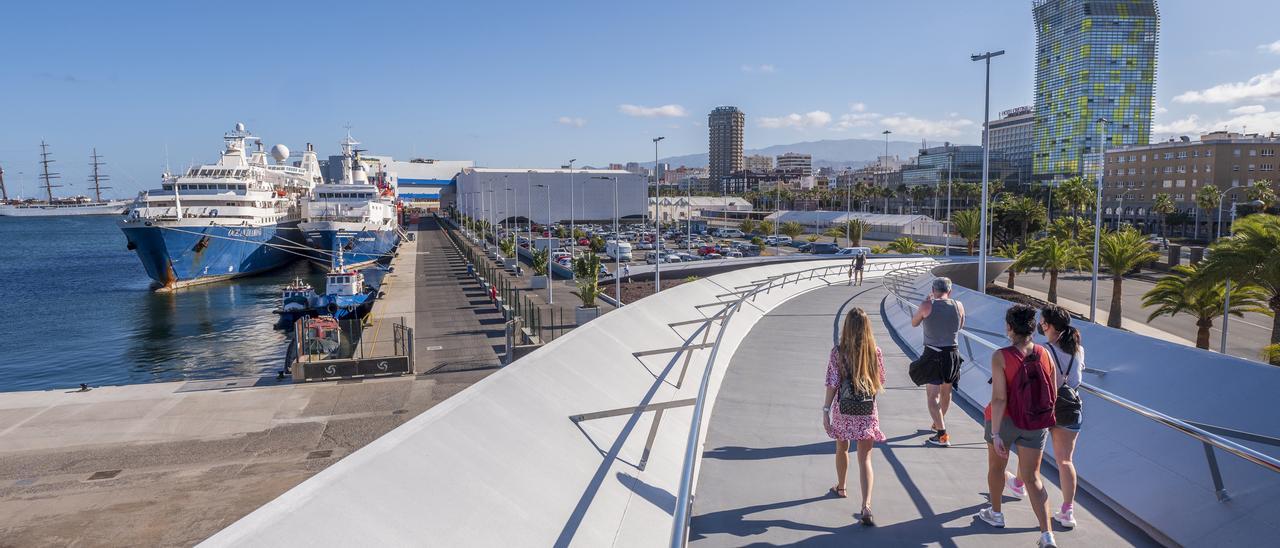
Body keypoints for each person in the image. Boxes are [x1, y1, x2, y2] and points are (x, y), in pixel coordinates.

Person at [977, 304, 1058, 548]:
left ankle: (996, 514)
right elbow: (1053, 390)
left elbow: (1000, 398)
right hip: (1035, 422)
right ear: (1033, 328)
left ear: (1010, 328)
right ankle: (1047, 535)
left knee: (997, 468)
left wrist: (996, 432)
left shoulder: (1001, 356)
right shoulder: (1045, 353)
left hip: (1005, 420)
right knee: (1033, 477)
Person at [1006, 304, 1084, 529]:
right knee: (1066, 460)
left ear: (1048, 325)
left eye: (1042, 322)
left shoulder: (1042, 349)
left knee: (1029, 449)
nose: (1040, 324)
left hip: (1045, 407)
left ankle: (1020, 483)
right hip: (1072, 408)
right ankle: (1067, 511)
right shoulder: (1078, 349)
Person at [822, 307, 886, 526]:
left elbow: (832, 383)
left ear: (847, 327)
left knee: (842, 447)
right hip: (867, 410)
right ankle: (866, 505)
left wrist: (825, 411)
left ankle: (841, 487)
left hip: (844, 409)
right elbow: (880, 382)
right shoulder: (874, 351)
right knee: (865, 458)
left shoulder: (838, 352)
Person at [910, 277, 965, 447]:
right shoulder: (959, 305)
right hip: (952, 354)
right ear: (950, 291)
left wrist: (926, 304)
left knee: (932, 396)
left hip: (933, 354)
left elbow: (914, 323)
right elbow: (961, 326)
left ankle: (942, 435)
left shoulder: (927, 305)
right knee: (947, 392)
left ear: (933, 290)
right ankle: (937, 423)